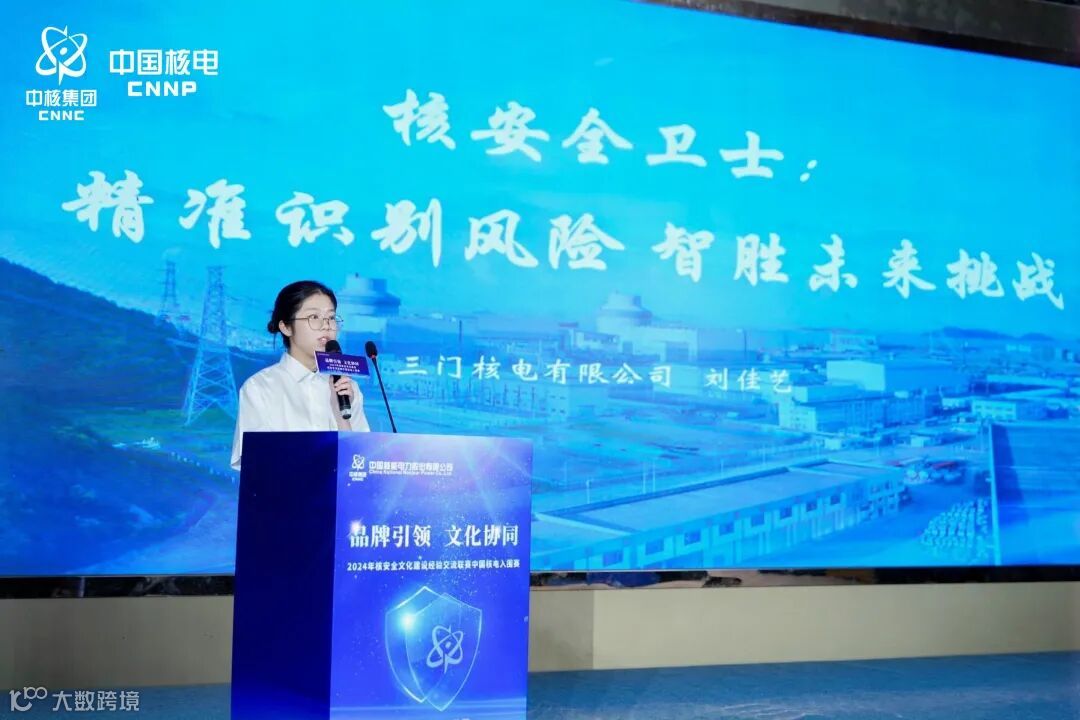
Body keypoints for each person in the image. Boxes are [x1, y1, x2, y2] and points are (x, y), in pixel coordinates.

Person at [230, 280, 370, 470]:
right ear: (286, 327)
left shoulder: (347, 388)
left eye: (331, 317)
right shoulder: (259, 387)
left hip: (341, 489)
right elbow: (255, 466)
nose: (326, 326)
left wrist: (342, 417)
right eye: (314, 317)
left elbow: (362, 463)